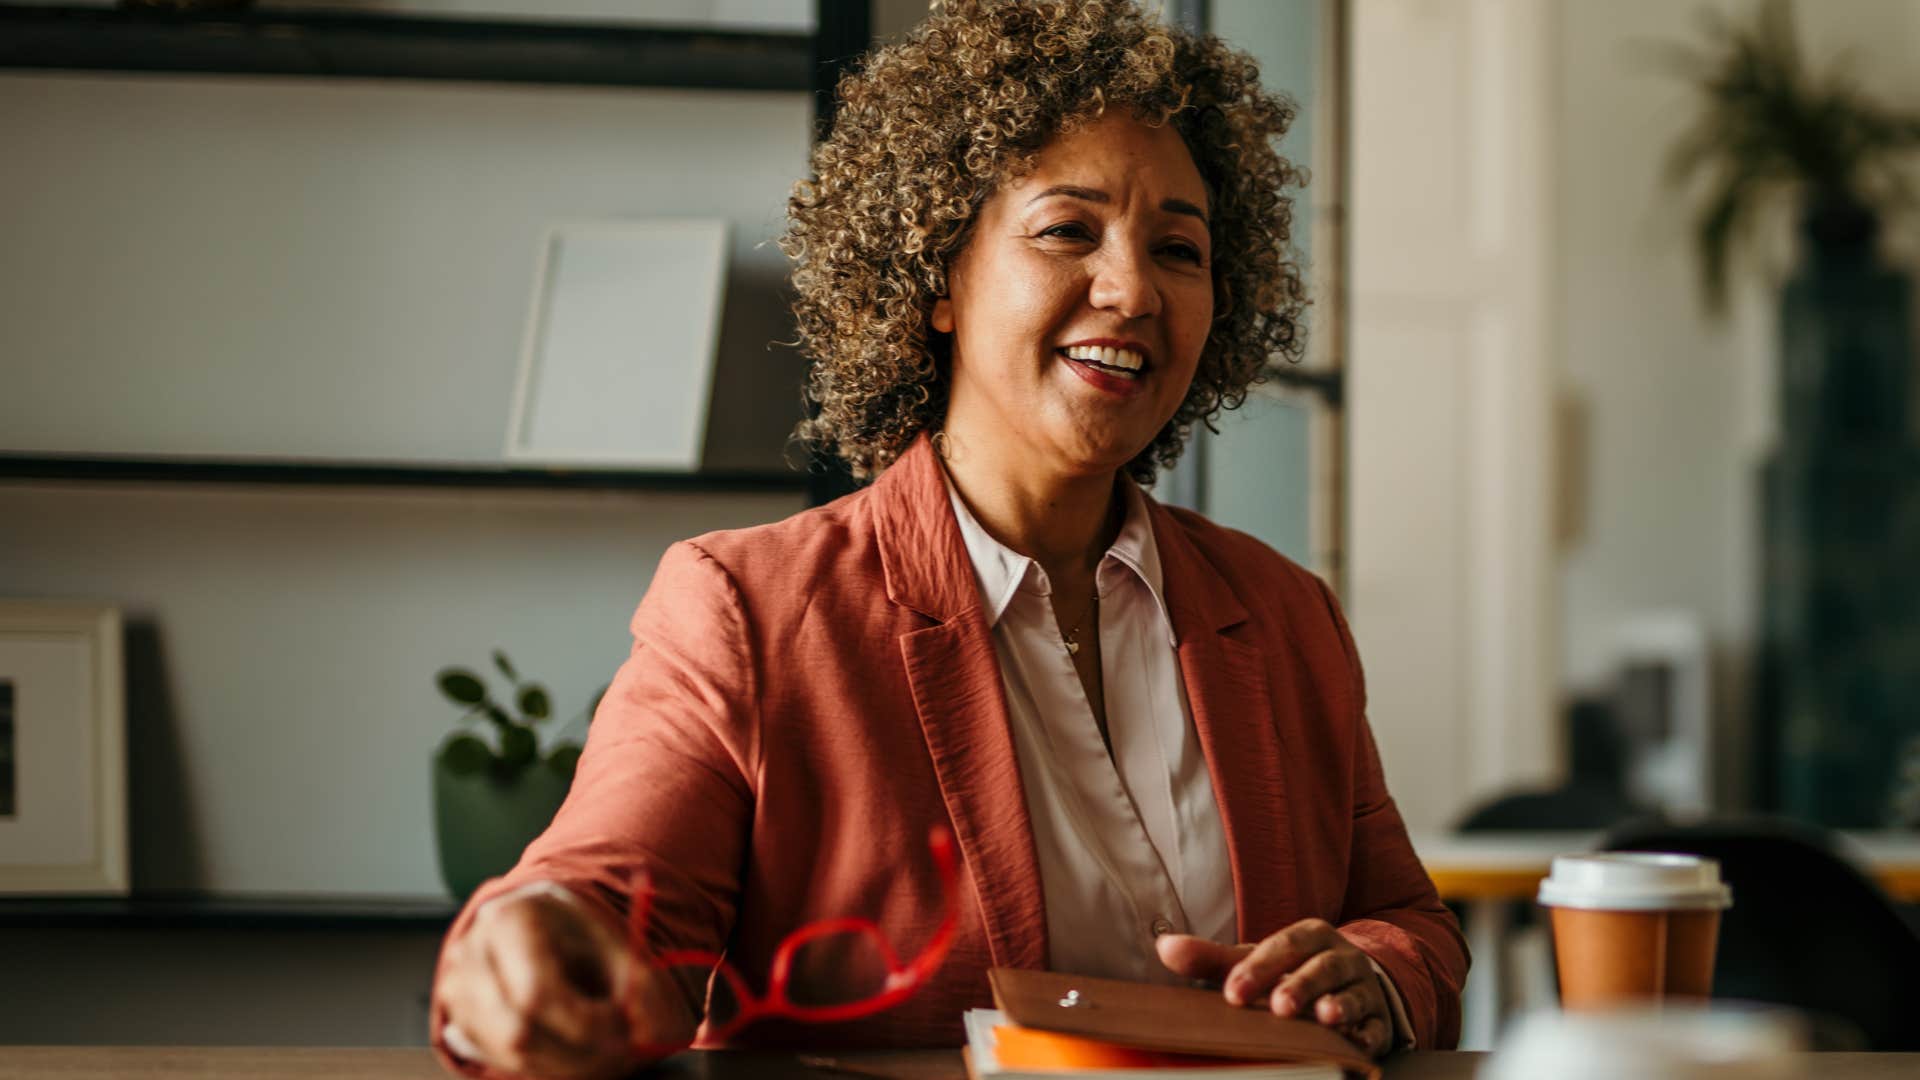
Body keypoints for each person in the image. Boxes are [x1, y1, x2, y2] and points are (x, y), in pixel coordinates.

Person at [430, 2, 1468, 1076]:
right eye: (1068, 231)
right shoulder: (747, 608)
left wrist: (1375, 972)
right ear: (938, 277)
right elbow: (605, 897)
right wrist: (521, 955)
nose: (1134, 289)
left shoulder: (1287, 613)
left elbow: (1407, 919)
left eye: (1179, 249)